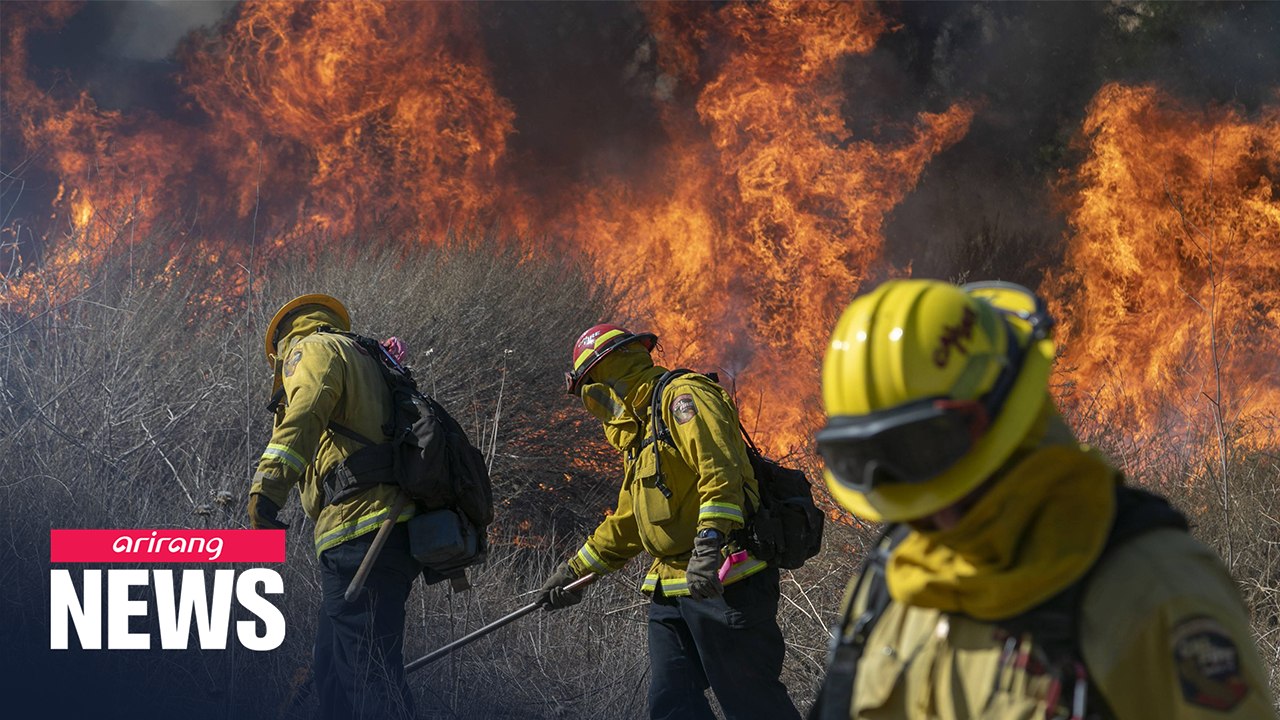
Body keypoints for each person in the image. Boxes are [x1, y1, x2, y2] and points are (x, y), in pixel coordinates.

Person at [810, 279, 1275, 719]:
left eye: (928, 454)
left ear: (1005, 418)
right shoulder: (889, 585)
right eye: (873, 465)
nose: (932, 515)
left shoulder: (1152, 592)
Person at [537, 324, 802, 720]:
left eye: (591, 387)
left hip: (725, 578)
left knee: (751, 704)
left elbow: (721, 472)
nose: (593, 401)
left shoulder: (683, 397)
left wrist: (708, 547)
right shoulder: (642, 428)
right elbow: (629, 520)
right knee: (671, 703)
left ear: (608, 373)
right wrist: (576, 572)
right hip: (671, 587)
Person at [248, 293, 420, 720]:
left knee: (368, 674)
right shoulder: (370, 358)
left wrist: (267, 489)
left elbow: (305, 409)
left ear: (284, 340)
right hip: (392, 527)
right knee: (332, 671)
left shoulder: (312, 349)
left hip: (357, 527)